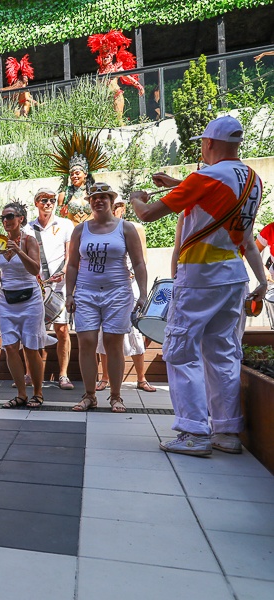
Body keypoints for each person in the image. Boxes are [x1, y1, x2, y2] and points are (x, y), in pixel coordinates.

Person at [131, 115, 267, 456]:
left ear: (210, 143)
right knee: (222, 353)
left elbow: (147, 214)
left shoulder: (205, 177)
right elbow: (227, 213)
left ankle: (193, 432)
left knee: (180, 349)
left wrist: (136, 196)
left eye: (204, 143)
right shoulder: (252, 180)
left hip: (201, 275)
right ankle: (226, 432)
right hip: (233, 276)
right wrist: (262, 282)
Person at [67, 183, 148, 413]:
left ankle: (115, 396)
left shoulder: (126, 228)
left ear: (112, 202)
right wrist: (69, 294)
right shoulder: (80, 230)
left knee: (114, 343)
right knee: (87, 342)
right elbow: (72, 264)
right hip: (86, 292)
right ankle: (89, 395)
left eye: (104, 197)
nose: (99, 201)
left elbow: (139, 263)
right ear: (89, 202)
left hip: (118, 292)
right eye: (94, 198)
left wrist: (142, 293)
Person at [96, 196, 156, 393]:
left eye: (120, 206)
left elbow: (143, 258)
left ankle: (141, 378)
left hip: (129, 283)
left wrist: (134, 277)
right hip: (107, 286)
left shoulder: (134, 227)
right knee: (104, 332)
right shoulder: (99, 227)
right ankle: (104, 377)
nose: (116, 209)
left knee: (134, 331)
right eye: (114, 206)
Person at [0, 202, 49, 409]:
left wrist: (18, 250)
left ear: (21, 219)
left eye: (9, 216)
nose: (6, 221)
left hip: (29, 300)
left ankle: (38, 392)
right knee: (9, 347)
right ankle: (21, 393)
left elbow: (35, 268)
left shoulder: (29, 240)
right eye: (3, 218)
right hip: (6, 300)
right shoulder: (1, 241)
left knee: (31, 348)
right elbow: (7, 268)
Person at [25, 188, 75, 390]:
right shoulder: (28, 228)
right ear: (36, 203)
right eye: (44, 200)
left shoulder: (65, 224)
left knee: (62, 330)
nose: (48, 203)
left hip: (59, 284)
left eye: (52, 200)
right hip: (37, 285)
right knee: (32, 331)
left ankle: (63, 375)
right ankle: (30, 374)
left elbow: (71, 253)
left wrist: (64, 271)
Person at [87, 30, 144, 124]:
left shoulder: (116, 67)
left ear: (111, 56)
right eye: (104, 57)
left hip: (116, 96)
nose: (105, 58)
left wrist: (139, 86)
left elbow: (127, 77)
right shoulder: (100, 72)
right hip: (105, 99)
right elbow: (97, 86)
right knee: (105, 122)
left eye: (107, 56)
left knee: (118, 119)